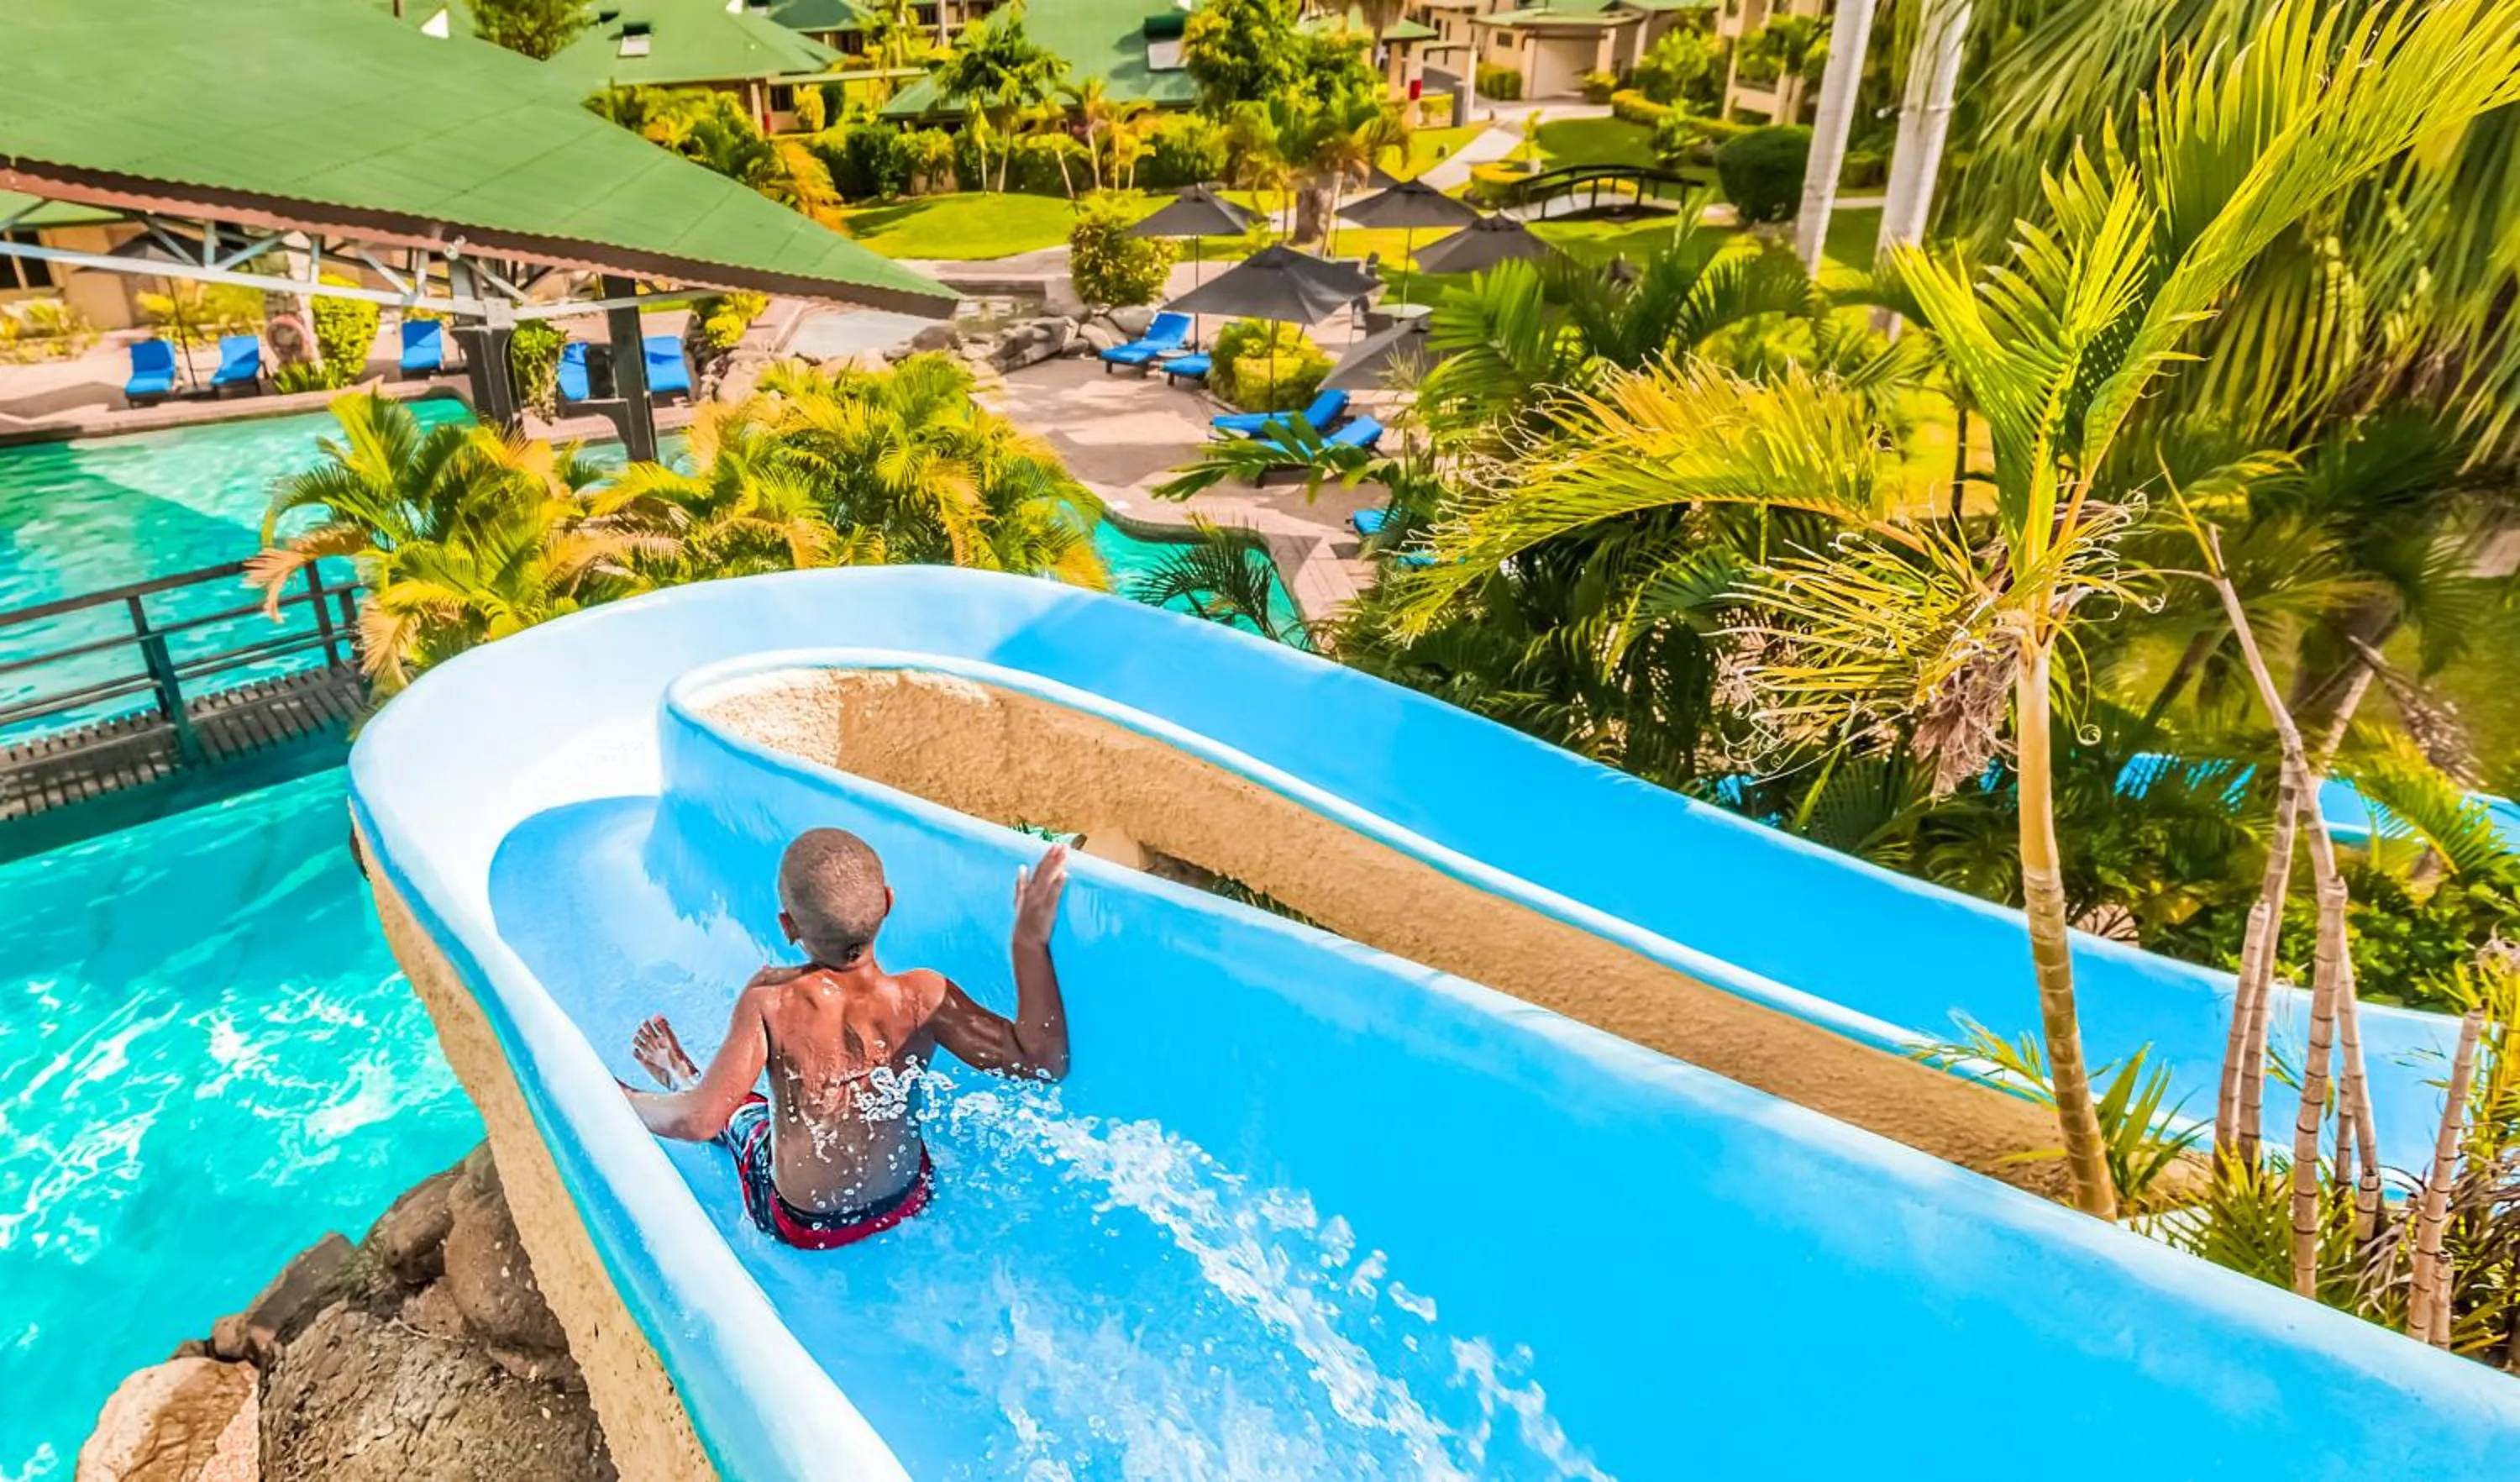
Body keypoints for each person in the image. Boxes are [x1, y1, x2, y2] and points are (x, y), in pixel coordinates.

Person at [621, 828, 1071, 1250]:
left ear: (787, 927)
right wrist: (1028, 942)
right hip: (909, 1199)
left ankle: (683, 1078)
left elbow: (698, 1122)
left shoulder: (771, 1002)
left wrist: (618, 1098)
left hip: (803, 1226)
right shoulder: (922, 997)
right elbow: (1043, 1061)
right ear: (889, 902)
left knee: (744, 1116)